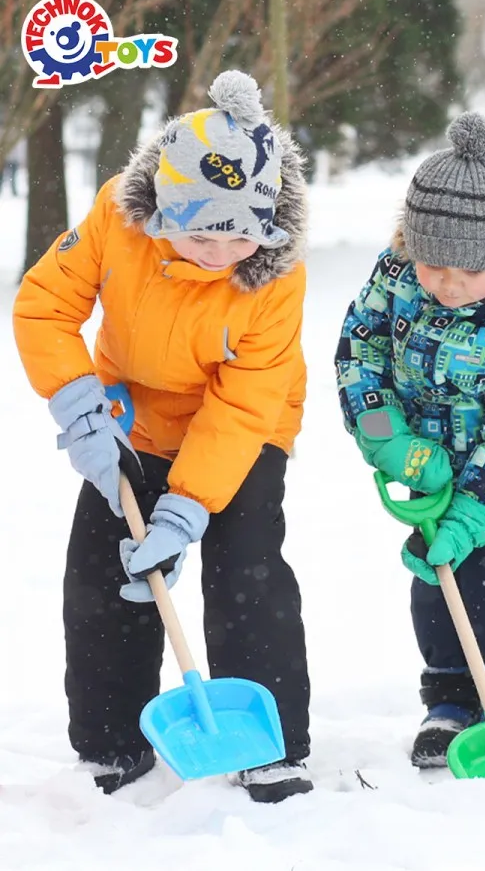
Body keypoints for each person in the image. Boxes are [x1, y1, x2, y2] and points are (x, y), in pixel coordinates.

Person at [13, 70, 312, 803]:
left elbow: (243, 404)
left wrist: (186, 506)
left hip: (244, 422)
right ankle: (111, 741)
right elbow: (45, 303)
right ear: (163, 211)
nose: (219, 251)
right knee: (105, 571)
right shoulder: (119, 219)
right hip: (129, 414)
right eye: (202, 231)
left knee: (245, 571)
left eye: (240, 234)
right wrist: (81, 409)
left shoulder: (273, 278)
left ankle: (273, 744)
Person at [334, 112, 485, 768]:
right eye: (431, 262)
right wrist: (388, 440)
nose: (444, 282)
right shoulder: (396, 275)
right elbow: (362, 353)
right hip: (426, 455)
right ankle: (449, 697)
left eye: (466, 272)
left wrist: (476, 506)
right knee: (437, 566)